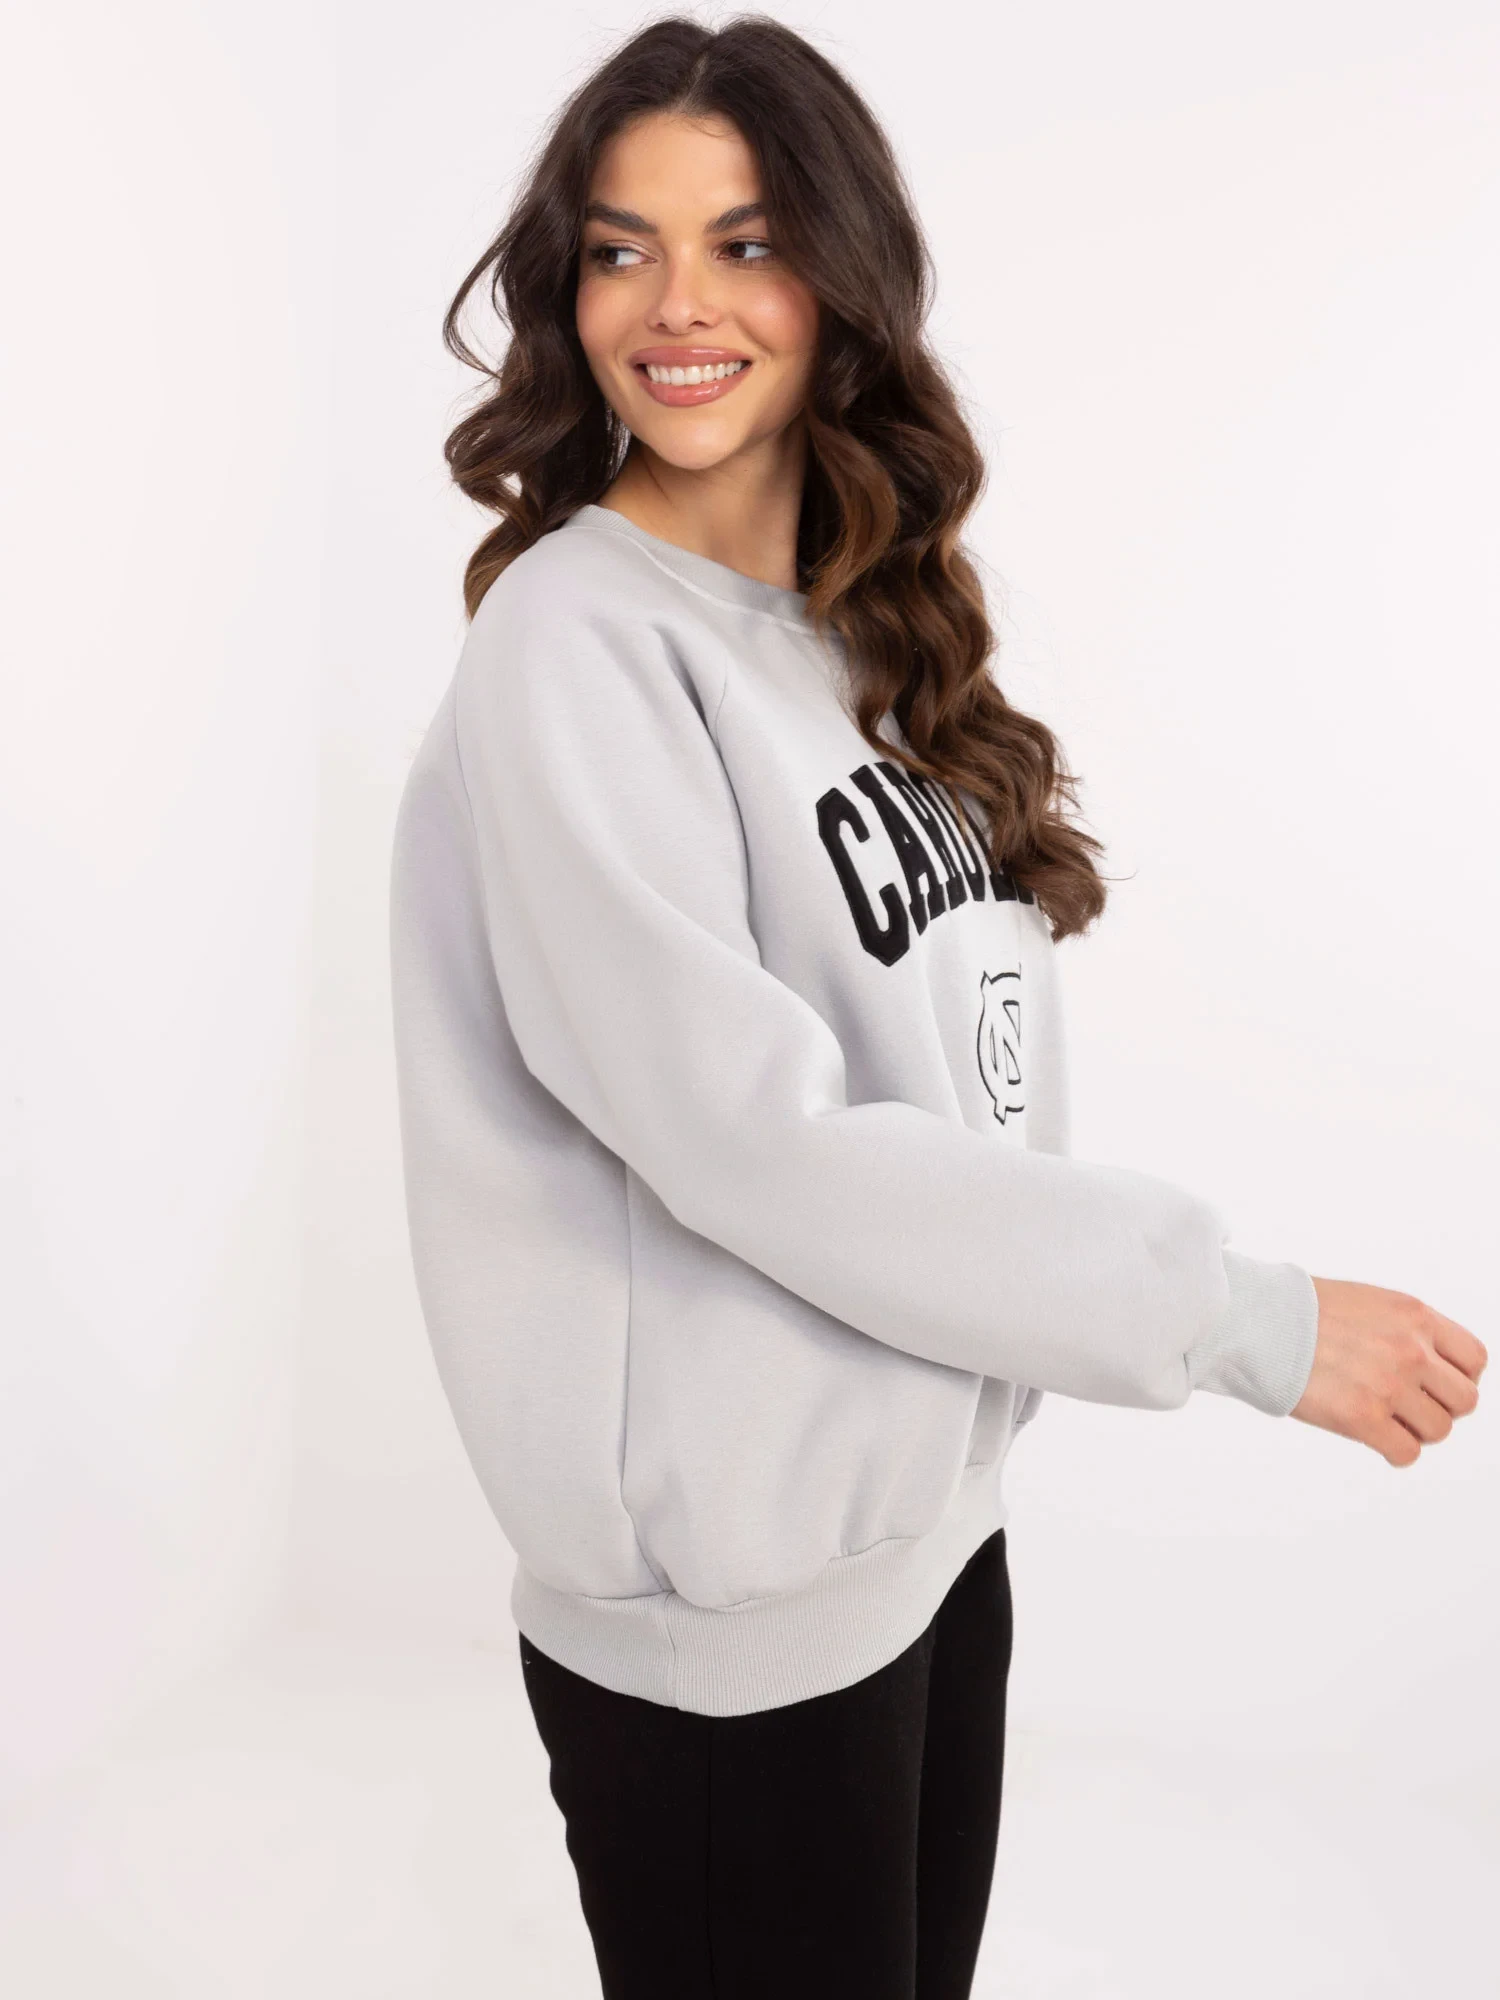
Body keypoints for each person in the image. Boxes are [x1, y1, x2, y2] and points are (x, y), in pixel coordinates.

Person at [387, 16, 1487, 1998]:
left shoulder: (853, 639)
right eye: (624, 249)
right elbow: (754, 1141)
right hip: (730, 1624)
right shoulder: (576, 644)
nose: (678, 304)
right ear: (569, 290)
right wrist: (1240, 1320)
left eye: (745, 243)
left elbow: (954, 1089)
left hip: (925, 1543)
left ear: (842, 277)